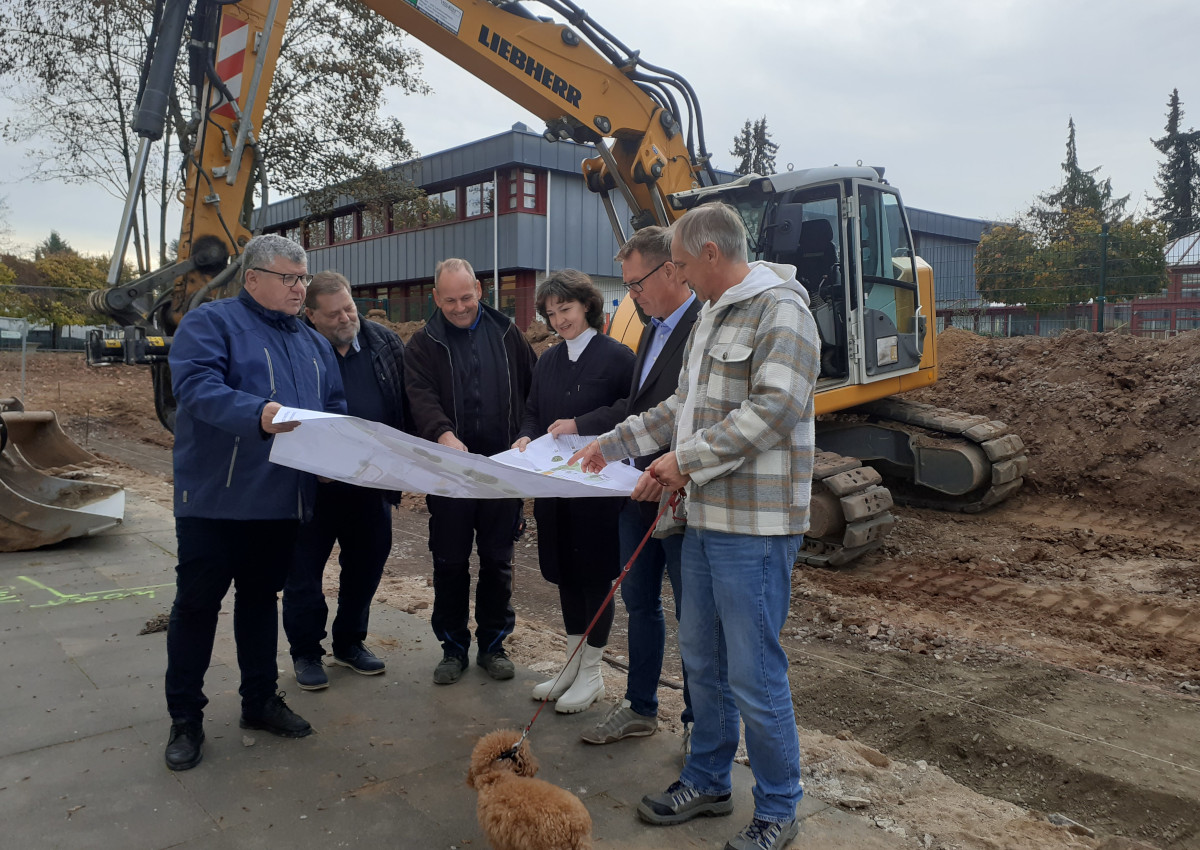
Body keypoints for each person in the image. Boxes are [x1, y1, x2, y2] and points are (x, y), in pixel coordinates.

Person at [572, 204, 819, 850]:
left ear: (711, 254)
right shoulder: (713, 314)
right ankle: (708, 779)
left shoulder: (781, 310)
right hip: (704, 520)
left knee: (754, 671)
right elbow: (682, 407)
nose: (674, 275)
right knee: (704, 663)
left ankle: (777, 807)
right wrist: (614, 441)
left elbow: (775, 410)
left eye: (679, 263)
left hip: (755, 529)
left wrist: (682, 462)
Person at [163, 234, 346, 772]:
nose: (298, 289)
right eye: (288, 279)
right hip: (215, 502)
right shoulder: (211, 323)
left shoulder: (312, 343)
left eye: (302, 279)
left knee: (261, 603)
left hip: (280, 503)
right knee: (196, 608)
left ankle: (259, 701)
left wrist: (337, 460)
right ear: (253, 279)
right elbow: (195, 387)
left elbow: (332, 406)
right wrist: (259, 413)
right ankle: (185, 719)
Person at [571, 227, 701, 745]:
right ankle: (640, 706)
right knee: (640, 604)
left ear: (671, 269)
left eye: (637, 283)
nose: (631, 296)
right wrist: (605, 444)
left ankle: (698, 723)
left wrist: (667, 469)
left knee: (695, 615)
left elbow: (694, 416)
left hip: (681, 497)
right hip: (636, 495)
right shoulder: (651, 328)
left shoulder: (702, 327)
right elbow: (639, 409)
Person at [404, 258, 536, 685]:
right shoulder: (424, 343)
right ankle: (453, 648)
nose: (459, 307)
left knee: (498, 560)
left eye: (466, 297)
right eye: (449, 301)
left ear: (479, 289)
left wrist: (527, 435)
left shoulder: (508, 334)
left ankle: (493, 645)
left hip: (501, 471)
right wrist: (442, 434)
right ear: (436, 298)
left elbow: (533, 390)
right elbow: (420, 397)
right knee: (449, 562)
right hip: (450, 472)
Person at [512, 270, 635, 714]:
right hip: (553, 487)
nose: (558, 319)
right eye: (551, 312)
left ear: (587, 305)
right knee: (564, 573)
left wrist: (581, 425)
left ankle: (592, 674)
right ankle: (570, 666)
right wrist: (525, 437)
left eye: (566, 309)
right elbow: (531, 412)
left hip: (598, 488)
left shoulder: (617, 357)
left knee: (594, 578)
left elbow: (632, 410)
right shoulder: (547, 360)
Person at [282, 271, 407, 690]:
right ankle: (306, 651)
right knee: (304, 572)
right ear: (311, 316)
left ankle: (350, 643)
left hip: (370, 483)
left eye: (349, 308)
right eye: (333, 314)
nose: (345, 318)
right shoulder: (295, 348)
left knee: (366, 564)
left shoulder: (383, 342)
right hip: (312, 487)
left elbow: (403, 402)